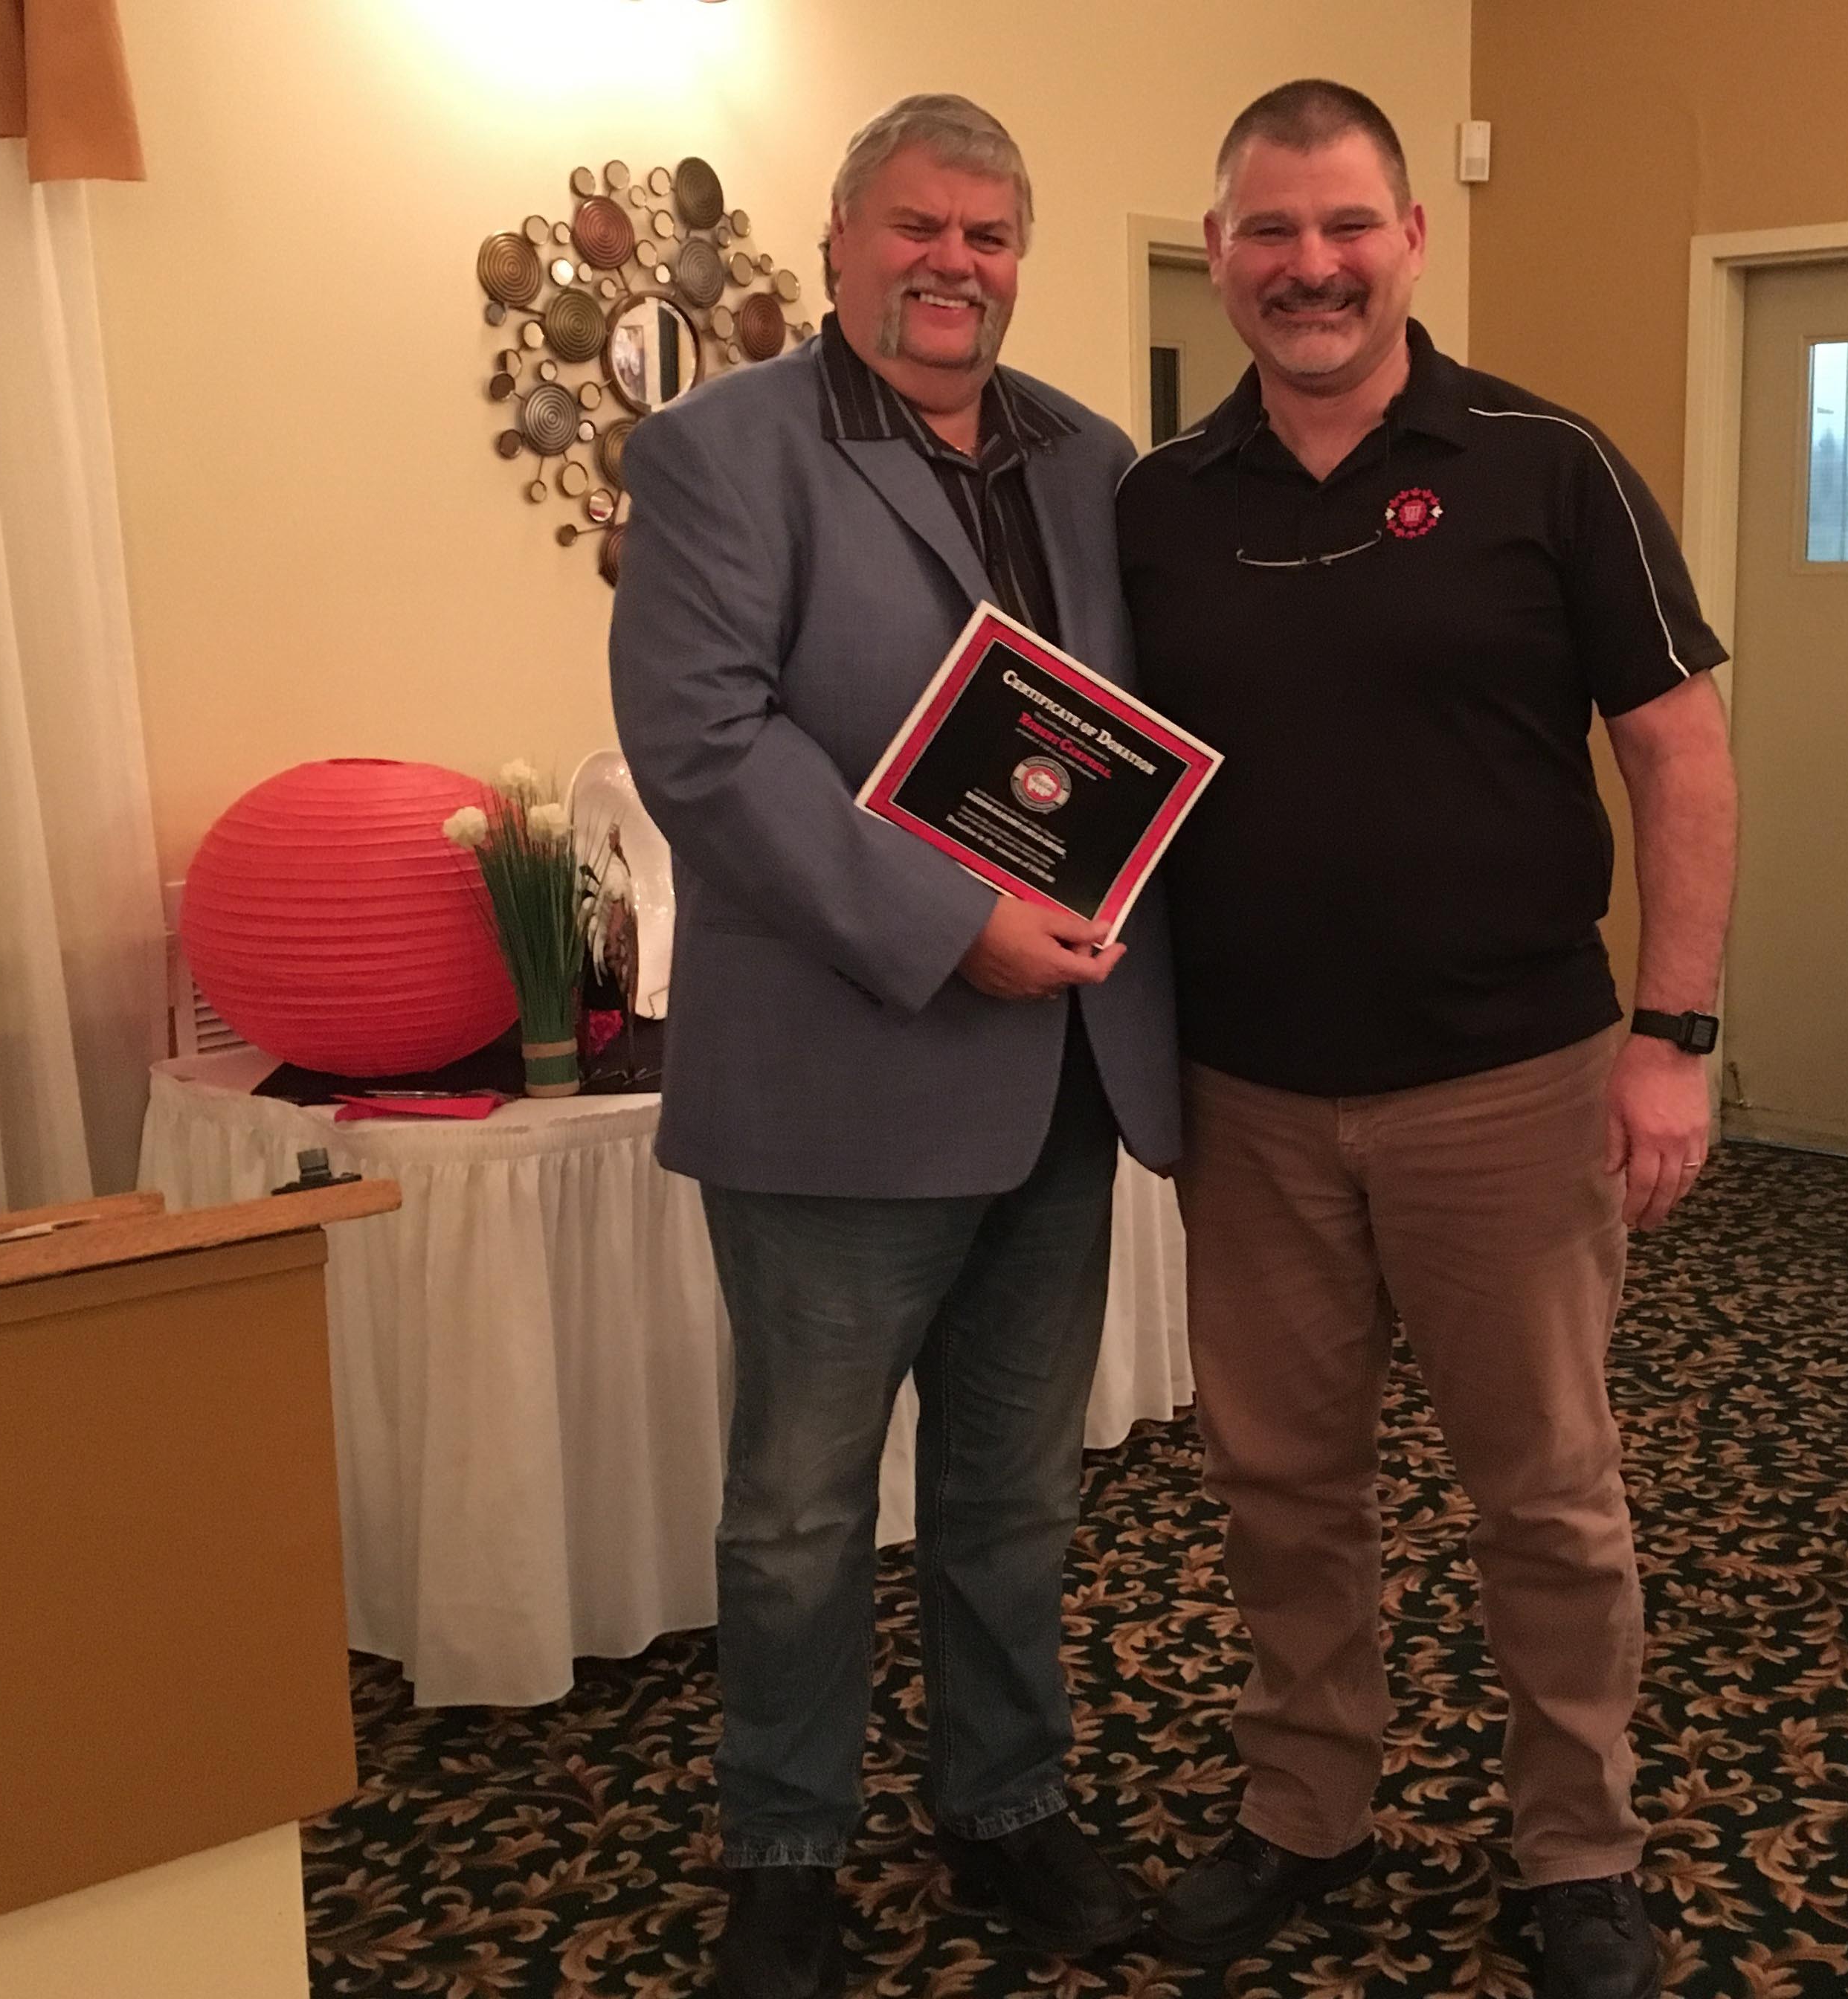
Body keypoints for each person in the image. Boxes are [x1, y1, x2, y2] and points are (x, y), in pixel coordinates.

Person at [1115, 80, 1738, 1999]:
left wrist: (1676, 1034)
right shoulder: (1155, 505)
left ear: (1411, 239)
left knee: (1544, 1490)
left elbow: (1681, 754)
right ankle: (1308, 1807)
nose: (1311, 266)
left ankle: (1579, 1848)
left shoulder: (1547, 464)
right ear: (1221, 254)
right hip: (1252, 1096)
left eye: (1346, 226)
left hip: (1510, 1080)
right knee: (1282, 1486)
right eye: (1271, 232)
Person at [608, 93, 1176, 1999]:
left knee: (1018, 1495)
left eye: (990, 236)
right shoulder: (717, 453)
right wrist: (954, 932)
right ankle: (784, 1851)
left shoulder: (1095, 459)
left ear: (1022, 259)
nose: (954, 266)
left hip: (1064, 1086)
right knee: (798, 1512)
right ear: (840, 241)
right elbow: (706, 745)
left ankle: (1004, 1807)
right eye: (917, 229)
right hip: (842, 1076)